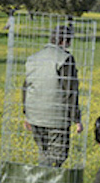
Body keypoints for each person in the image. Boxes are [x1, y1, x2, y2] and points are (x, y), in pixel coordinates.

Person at [22, 24, 83, 167]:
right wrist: (77, 119)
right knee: (57, 156)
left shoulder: (33, 58)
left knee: (44, 153)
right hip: (56, 117)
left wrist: (26, 114)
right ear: (65, 41)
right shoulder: (65, 59)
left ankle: (40, 182)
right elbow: (70, 91)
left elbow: (25, 87)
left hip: (35, 115)